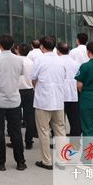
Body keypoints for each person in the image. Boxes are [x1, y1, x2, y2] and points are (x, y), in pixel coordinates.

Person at [0, 34, 26, 172]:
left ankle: (0, 162)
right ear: (13, 45)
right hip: (14, 99)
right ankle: (20, 162)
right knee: (16, 132)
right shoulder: (19, 60)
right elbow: (19, 75)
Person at [30, 36, 66, 170]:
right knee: (60, 131)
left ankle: (47, 161)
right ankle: (62, 160)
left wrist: (38, 88)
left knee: (44, 131)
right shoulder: (61, 60)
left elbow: (33, 79)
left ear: (42, 46)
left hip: (43, 101)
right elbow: (63, 77)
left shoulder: (39, 60)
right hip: (58, 100)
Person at [57, 42, 81, 144]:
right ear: (69, 50)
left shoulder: (57, 62)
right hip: (73, 95)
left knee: (58, 122)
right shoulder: (76, 63)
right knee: (75, 121)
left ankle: (59, 143)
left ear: (58, 51)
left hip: (59, 95)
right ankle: (75, 143)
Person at [15, 43, 36, 150]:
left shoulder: (15, 61)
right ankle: (29, 141)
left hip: (16, 91)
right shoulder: (32, 63)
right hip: (29, 91)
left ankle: (16, 141)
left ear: (18, 50)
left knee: (15, 118)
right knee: (30, 118)